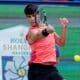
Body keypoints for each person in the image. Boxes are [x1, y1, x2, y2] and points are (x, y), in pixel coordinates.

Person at [24, 4, 68, 80]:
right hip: (36, 70)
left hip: (51, 69)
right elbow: (38, 35)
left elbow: (61, 43)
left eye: (33, 16)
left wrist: (64, 28)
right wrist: (47, 31)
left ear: (38, 15)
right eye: (29, 16)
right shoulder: (31, 31)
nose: (31, 19)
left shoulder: (48, 28)